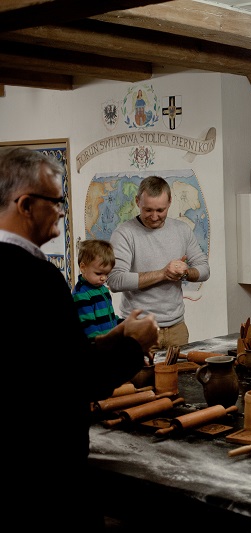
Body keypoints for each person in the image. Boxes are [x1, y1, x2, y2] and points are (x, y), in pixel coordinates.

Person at [0, 147, 158, 530]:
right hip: (44, 476)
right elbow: (75, 380)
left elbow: (50, 359)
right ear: (25, 205)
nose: (62, 211)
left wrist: (114, 335)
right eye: (56, 202)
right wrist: (133, 345)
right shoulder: (36, 279)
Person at [108, 175, 210, 354]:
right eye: (148, 210)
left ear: (170, 202)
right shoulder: (124, 233)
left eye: (160, 210)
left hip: (177, 329)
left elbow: (204, 270)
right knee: (140, 381)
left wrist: (185, 272)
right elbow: (115, 280)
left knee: (181, 381)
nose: (154, 217)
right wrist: (163, 273)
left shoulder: (182, 230)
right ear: (137, 201)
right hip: (139, 329)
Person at [73, 239, 119, 339]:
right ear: (83, 267)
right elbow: (88, 326)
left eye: (106, 274)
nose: (103, 278)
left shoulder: (103, 290)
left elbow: (109, 318)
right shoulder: (81, 294)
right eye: (98, 273)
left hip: (110, 342)